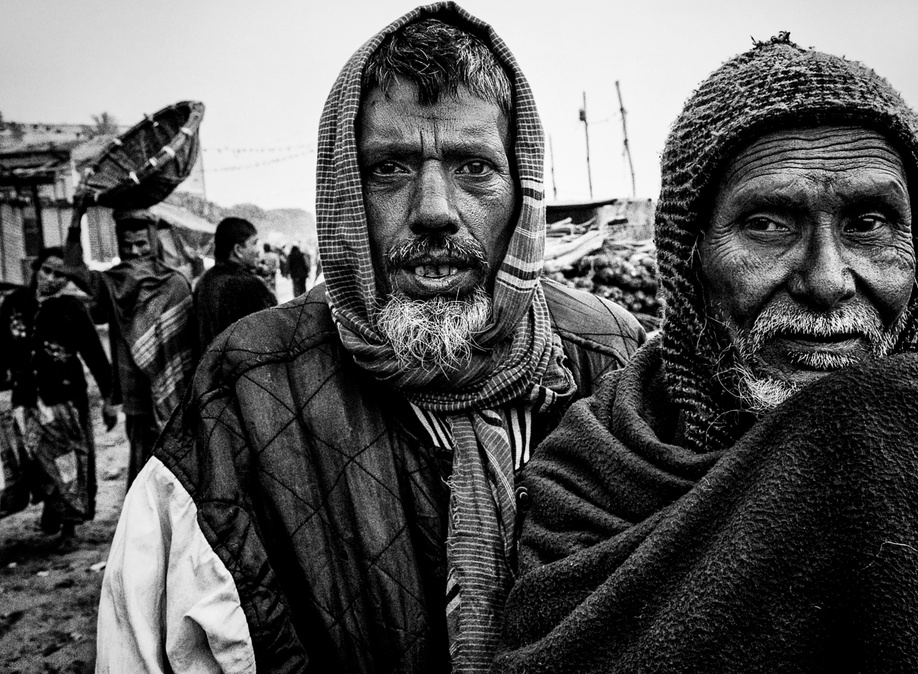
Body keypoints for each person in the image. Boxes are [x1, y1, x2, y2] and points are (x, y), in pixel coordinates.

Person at [95, 5, 645, 673]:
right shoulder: (245, 392)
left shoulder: (612, 355)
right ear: (343, 193)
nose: (435, 209)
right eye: (390, 168)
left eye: (474, 166)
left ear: (522, 188)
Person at [493, 35, 918, 673]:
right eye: (766, 223)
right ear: (689, 256)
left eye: (867, 223)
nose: (826, 281)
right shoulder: (596, 471)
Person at [65, 209, 197, 487]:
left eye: (141, 244)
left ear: (154, 242)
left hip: (175, 389)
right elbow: (73, 269)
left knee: (180, 465)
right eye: (127, 246)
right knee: (143, 463)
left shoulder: (175, 283)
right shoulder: (112, 283)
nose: (135, 252)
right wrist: (77, 217)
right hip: (135, 391)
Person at [0, 247, 116, 548]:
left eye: (60, 275)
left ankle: (69, 527)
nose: (52, 279)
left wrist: (107, 399)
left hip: (64, 399)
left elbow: (94, 354)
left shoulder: (73, 309)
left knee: (68, 463)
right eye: (47, 271)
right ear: (36, 269)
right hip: (26, 399)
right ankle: (52, 507)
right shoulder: (14, 304)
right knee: (36, 460)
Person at [194, 217, 277, 352]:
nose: (258, 251)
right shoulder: (250, 286)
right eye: (254, 243)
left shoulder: (203, 281)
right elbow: (273, 337)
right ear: (238, 250)